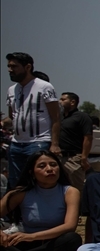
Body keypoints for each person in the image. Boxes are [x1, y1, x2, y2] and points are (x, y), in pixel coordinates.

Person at [0, 150, 82, 251]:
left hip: (53, 242)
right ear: (32, 172)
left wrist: (32, 236)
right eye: (42, 166)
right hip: (24, 242)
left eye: (53, 165)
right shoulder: (20, 193)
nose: (49, 169)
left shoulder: (70, 192)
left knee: (72, 239)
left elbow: (70, 226)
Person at [6, 52, 61, 188]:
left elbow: (56, 117)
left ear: (28, 67)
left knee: (38, 181)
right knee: (15, 182)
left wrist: (54, 144)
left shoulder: (44, 87)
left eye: (14, 66)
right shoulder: (12, 90)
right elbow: (12, 117)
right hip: (16, 143)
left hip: (38, 142)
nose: (10, 70)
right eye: (8, 66)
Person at [57, 92, 93, 192]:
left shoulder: (82, 117)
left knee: (77, 188)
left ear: (72, 102)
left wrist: (84, 157)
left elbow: (88, 138)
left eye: (63, 100)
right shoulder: (59, 118)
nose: (60, 102)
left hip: (73, 158)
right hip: (58, 157)